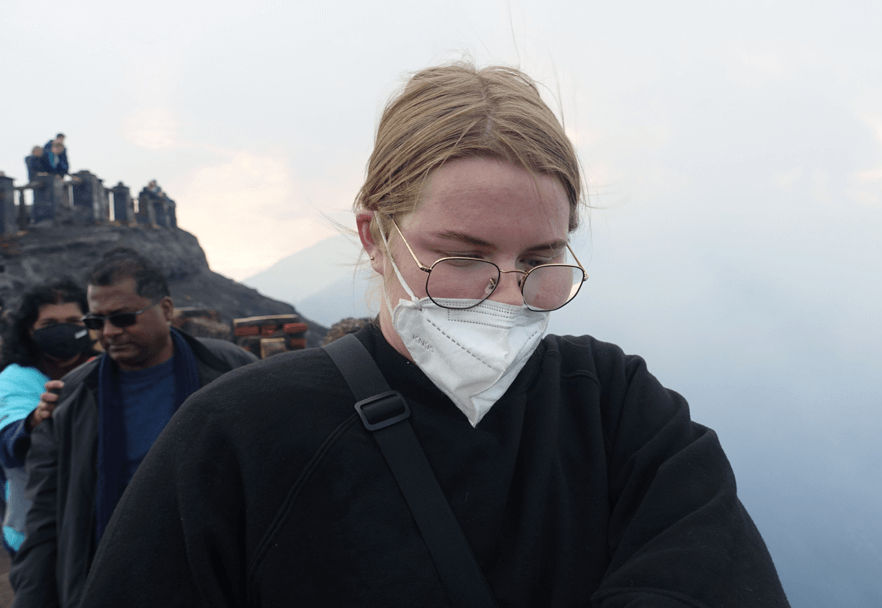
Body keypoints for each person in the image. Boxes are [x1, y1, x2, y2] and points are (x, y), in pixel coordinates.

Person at [81, 64, 790, 607]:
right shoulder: (238, 436)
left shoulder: (618, 412)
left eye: (540, 261)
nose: (508, 297)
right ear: (376, 236)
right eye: (462, 256)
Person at [10, 247, 258, 608]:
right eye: (96, 322)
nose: (109, 332)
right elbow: (45, 520)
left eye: (123, 318)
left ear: (167, 310)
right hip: (105, 585)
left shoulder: (231, 373)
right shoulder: (70, 399)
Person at [0, 279, 96, 556]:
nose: (63, 330)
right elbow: (9, 439)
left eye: (73, 321)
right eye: (49, 323)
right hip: (34, 533)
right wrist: (36, 421)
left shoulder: (104, 369)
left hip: (97, 525)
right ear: (29, 330)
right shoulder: (15, 379)